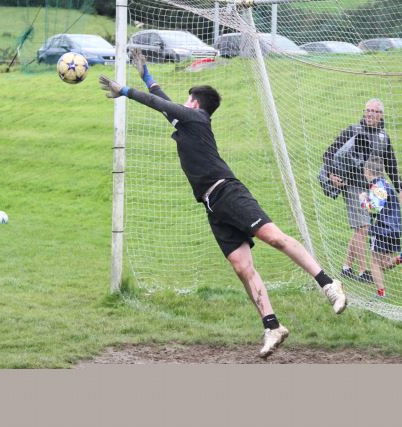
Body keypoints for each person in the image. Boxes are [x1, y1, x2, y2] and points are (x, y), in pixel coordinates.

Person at [99, 50, 347, 358]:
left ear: (195, 104)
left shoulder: (196, 118)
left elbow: (160, 104)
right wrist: (146, 75)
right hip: (212, 205)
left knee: (274, 238)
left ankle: (328, 284)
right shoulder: (188, 121)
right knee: (242, 267)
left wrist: (124, 90)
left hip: (228, 192)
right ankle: (272, 326)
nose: (182, 103)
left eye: (187, 99)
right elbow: (164, 104)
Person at [323, 99, 402, 284]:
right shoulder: (352, 131)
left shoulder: (384, 138)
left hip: (374, 188)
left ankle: (346, 267)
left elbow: (391, 166)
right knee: (363, 227)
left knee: (360, 229)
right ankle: (363, 272)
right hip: (352, 185)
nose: (369, 114)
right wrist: (331, 174)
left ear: (381, 115)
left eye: (373, 111)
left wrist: (401, 188)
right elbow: (328, 153)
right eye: (367, 110)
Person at [359, 158, 402, 298]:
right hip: (395, 229)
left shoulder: (378, 186)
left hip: (382, 229)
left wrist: (363, 199)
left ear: (368, 172)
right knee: (384, 263)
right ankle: (401, 258)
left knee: (374, 263)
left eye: (364, 171)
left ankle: (381, 295)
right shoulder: (387, 184)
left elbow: (373, 208)